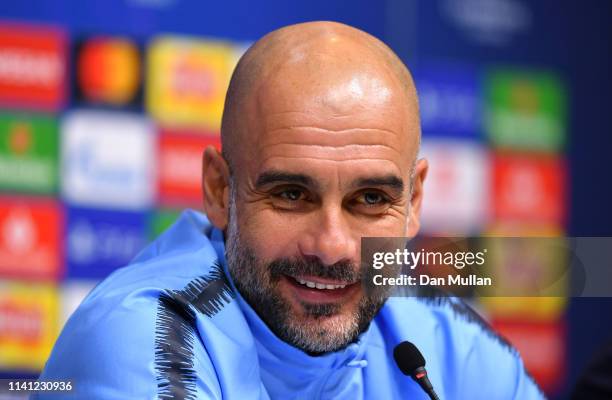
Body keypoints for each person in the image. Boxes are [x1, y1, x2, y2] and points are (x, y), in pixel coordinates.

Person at [37, 21, 543, 399]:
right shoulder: (141, 338)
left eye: (370, 200)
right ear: (219, 190)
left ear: (413, 203)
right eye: (291, 195)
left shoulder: (451, 344)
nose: (332, 246)